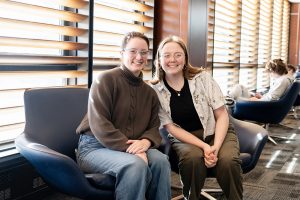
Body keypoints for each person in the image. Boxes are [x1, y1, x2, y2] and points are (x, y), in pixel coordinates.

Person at [76, 32, 171, 200]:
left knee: (161, 161)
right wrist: (131, 151)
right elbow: (100, 124)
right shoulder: (105, 80)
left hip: (132, 145)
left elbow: (154, 127)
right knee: (135, 165)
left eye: (143, 52)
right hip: (94, 148)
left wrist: (146, 141)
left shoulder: (150, 92)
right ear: (122, 54)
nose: (139, 57)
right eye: (133, 51)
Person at [151, 35, 243, 200]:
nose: (172, 60)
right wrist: (204, 147)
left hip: (217, 131)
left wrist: (215, 146)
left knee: (228, 161)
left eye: (178, 55)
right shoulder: (155, 90)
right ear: (159, 60)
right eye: (166, 55)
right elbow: (170, 127)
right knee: (192, 160)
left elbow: (222, 115)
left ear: (185, 59)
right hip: (185, 137)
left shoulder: (203, 78)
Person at [229, 59, 293, 101]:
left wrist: (257, 100)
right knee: (240, 87)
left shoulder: (282, 81)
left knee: (236, 97)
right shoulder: (285, 78)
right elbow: (273, 96)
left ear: (273, 70)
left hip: (261, 105)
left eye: (269, 72)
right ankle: (229, 99)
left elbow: (272, 98)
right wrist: (261, 97)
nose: (269, 74)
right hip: (263, 101)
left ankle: (228, 101)